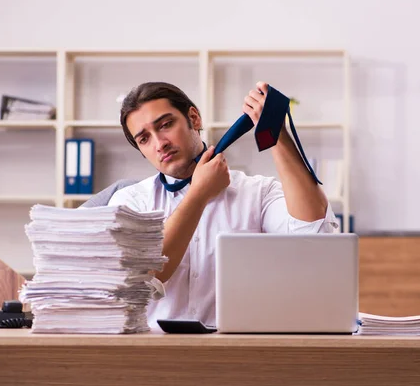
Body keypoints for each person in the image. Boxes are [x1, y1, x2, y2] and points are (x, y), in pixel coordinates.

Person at [108, 81, 339, 329]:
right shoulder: (128, 203)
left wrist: (275, 130)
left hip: (238, 354)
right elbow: (145, 275)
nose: (159, 143)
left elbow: (315, 233)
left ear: (194, 118)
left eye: (165, 125)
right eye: (144, 139)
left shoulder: (258, 193)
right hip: (156, 357)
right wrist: (198, 194)